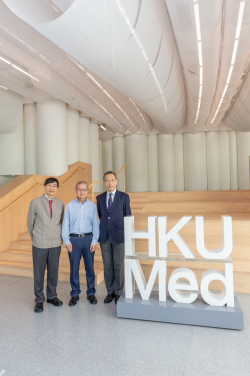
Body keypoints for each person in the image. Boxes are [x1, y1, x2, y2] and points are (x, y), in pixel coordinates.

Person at [27, 177, 64, 313]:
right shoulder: (35, 202)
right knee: (39, 273)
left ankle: (52, 297)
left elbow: (61, 222)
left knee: (53, 272)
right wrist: (36, 238)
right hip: (39, 244)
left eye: (54, 185)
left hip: (55, 243)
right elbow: (30, 223)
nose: (52, 188)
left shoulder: (60, 203)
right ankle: (39, 300)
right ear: (45, 187)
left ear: (57, 188)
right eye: (49, 185)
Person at [62, 181, 99, 306]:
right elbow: (65, 225)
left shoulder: (92, 206)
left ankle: (91, 293)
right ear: (75, 190)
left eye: (84, 189)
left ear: (87, 190)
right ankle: (75, 294)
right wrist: (67, 241)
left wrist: (94, 241)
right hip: (74, 240)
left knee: (89, 268)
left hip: (88, 239)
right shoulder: (69, 206)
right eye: (79, 189)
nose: (82, 192)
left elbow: (95, 225)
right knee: (74, 269)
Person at [97, 171, 131, 304]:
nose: (110, 183)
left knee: (118, 264)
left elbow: (128, 216)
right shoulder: (99, 198)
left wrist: (127, 234)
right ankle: (109, 292)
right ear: (104, 183)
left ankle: (118, 292)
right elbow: (101, 215)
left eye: (112, 180)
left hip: (119, 235)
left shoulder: (124, 196)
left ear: (116, 181)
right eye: (107, 180)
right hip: (104, 235)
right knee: (107, 265)